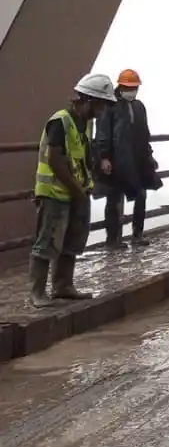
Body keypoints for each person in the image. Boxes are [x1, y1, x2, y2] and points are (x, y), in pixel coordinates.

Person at [29, 73, 117, 308]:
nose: (103, 110)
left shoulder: (85, 123)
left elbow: (83, 155)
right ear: (89, 100)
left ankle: (63, 286)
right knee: (48, 242)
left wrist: (86, 185)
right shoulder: (61, 121)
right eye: (102, 104)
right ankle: (37, 293)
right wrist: (78, 191)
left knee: (72, 240)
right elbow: (55, 160)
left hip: (76, 191)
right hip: (54, 192)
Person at [94, 69, 161, 249]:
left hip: (137, 159)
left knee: (141, 195)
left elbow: (144, 134)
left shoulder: (139, 107)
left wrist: (149, 155)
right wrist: (104, 157)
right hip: (117, 160)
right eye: (129, 87)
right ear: (120, 87)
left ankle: (137, 235)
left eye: (135, 88)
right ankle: (113, 239)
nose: (133, 91)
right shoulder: (110, 107)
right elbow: (102, 133)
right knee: (114, 198)